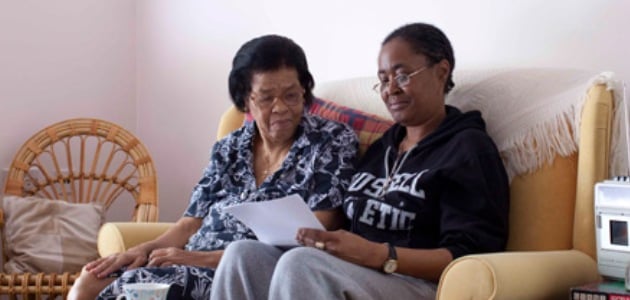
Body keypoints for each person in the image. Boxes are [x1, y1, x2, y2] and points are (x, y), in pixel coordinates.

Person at [210, 22, 510, 300]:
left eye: (403, 76)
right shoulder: (385, 147)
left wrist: (380, 255)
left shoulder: (468, 149)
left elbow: (469, 256)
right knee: (242, 255)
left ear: (442, 71)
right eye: (383, 79)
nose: (391, 89)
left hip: (417, 282)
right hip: (357, 271)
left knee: (303, 265)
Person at [67, 34, 358, 300]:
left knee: (134, 294)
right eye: (267, 97)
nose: (280, 107)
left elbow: (318, 233)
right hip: (187, 261)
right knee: (89, 282)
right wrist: (138, 251)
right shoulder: (229, 148)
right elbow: (189, 223)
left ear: (305, 92)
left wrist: (196, 259)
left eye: (292, 95)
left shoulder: (331, 142)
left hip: (239, 272)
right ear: (246, 100)